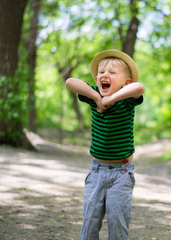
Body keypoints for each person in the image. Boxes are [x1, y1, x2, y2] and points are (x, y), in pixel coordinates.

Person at [65, 49, 145, 240]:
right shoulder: (94, 98)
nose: (104, 75)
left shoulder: (126, 101)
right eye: (100, 72)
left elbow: (139, 87)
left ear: (126, 83)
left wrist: (111, 99)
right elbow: (70, 82)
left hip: (121, 174)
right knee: (89, 224)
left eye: (111, 73)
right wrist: (98, 98)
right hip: (96, 172)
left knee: (118, 226)